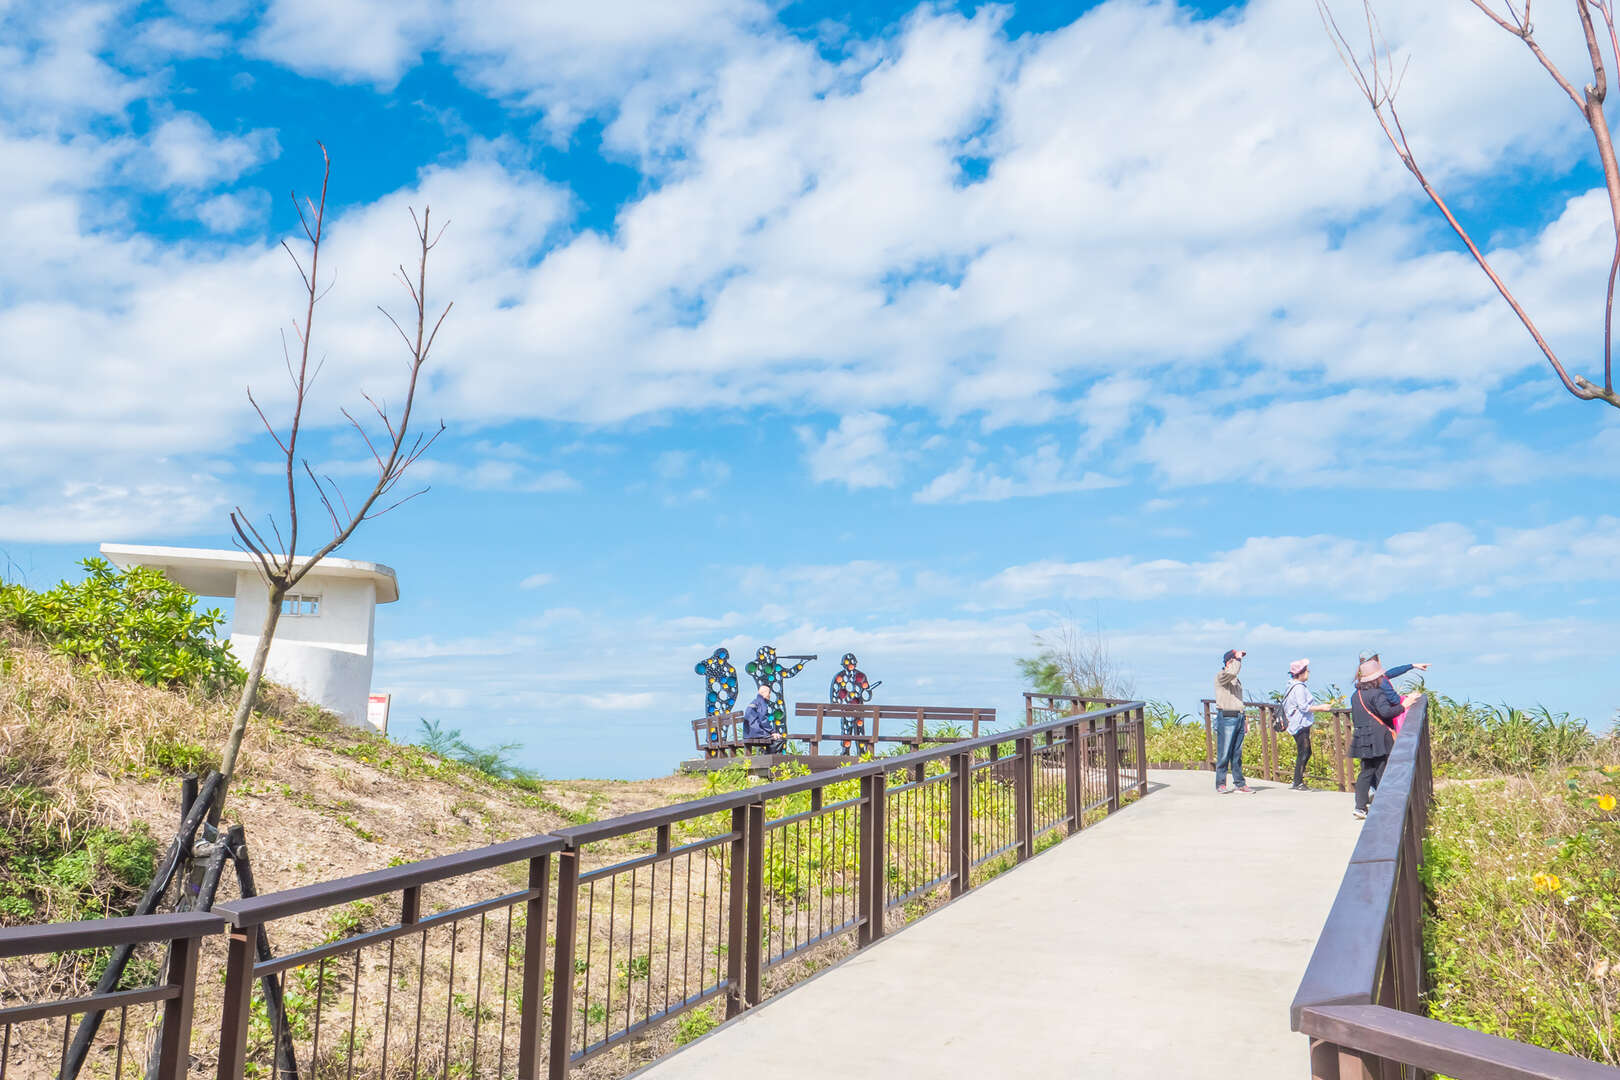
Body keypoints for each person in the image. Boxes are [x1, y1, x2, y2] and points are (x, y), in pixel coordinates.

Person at [1348, 657, 1417, 819]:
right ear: (1377, 677)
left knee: (1366, 772)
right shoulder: (1377, 693)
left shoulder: (1355, 695)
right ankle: (1383, 806)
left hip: (1361, 736)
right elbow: (1386, 712)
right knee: (1381, 770)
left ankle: (1360, 807)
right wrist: (1404, 705)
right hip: (1379, 737)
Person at [1282, 659, 1335, 790]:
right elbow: (1304, 707)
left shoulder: (1291, 685)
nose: (1308, 672)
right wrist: (1321, 708)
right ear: (1301, 673)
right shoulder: (1299, 687)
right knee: (1304, 751)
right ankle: (1298, 781)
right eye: (1307, 670)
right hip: (1299, 723)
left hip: (1295, 722)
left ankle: (1297, 780)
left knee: (1304, 751)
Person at [1213, 648, 1254, 794]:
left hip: (1238, 716)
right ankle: (1220, 784)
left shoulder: (1236, 680)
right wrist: (1237, 660)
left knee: (1237, 754)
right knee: (1224, 753)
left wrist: (1244, 719)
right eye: (1234, 660)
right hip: (1227, 717)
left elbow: (1238, 701)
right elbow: (1232, 672)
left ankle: (1239, 783)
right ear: (1228, 662)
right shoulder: (1222, 676)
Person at [743, 684, 786, 754]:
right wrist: (772, 732)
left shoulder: (754, 702)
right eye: (769, 693)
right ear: (764, 692)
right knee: (779, 739)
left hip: (748, 734)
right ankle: (768, 757)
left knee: (773, 739)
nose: (770, 695)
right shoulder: (761, 703)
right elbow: (763, 720)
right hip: (756, 733)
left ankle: (766, 755)